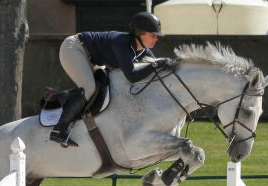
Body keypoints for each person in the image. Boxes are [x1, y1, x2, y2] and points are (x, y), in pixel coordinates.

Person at [50, 11, 176, 148]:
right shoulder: (121, 43)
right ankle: (59, 129)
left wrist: (169, 64)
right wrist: (157, 64)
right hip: (74, 49)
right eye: (153, 35)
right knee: (89, 87)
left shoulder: (144, 50)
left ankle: (65, 97)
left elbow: (154, 65)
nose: (156, 39)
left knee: (101, 86)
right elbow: (133, 76)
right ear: (140, 33)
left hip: (90, 58)